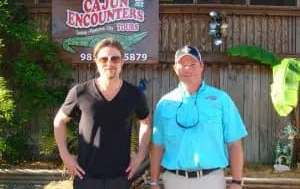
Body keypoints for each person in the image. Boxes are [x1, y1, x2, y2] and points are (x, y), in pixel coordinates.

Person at [53, 38, 151, 189]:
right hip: (86, 176)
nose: (109, 63)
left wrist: (140, 155)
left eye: (115, 58)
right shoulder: (80, 92)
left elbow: (146, 122)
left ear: (122, 61)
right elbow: (59, 121)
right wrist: (65, 155)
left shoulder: (134, 94)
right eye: (103, 59)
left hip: (121, 177)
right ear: (96, 62)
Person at [150, 45, 248, 189]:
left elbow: (234, 144)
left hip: (211, 180)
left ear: (202, 66)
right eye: (182, 64)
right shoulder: (164, 103)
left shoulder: (221, 99)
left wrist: (237, 181)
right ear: (175, 68)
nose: (187, 68)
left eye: (192, 64)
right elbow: (157, 146)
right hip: (174, 180)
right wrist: (153, 181)